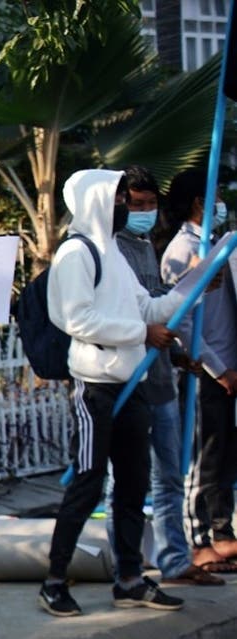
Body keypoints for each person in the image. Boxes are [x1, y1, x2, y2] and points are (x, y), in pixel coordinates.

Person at [38, 169, 185, 617]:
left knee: (132, 486)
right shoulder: (75, 254)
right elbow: (75, 319)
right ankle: (54, 581)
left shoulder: (115, 256)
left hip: (131, 384)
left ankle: (130, 578)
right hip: (95, 389)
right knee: (87, 483)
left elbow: (150, 307)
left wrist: (192, 285)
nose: (125, 204)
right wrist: (140, 333)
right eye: (120, 196)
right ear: (98, 200)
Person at [103, 166, 223, 586]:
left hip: (159, 381)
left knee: (169, 475)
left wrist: (176, 354)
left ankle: (175, 560)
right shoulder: (107, 252)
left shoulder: (147, 247)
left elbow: (158, 307)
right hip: (125, 381)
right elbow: (102, 317)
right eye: (137, 205)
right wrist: (149, 332)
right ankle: (126, 566)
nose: (145, 212)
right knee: (125, 482)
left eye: (151, 204)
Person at [159, 168, 237, 575]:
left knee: (225, 454)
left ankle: (223, 533)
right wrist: (218, 368)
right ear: (198, 202)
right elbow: (183, 321)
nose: (222, 199)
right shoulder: (183, 251)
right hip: (208, 369)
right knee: (204, 456)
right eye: (217, 193)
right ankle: (199, 539)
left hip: (228, 365)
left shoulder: (219, 244)